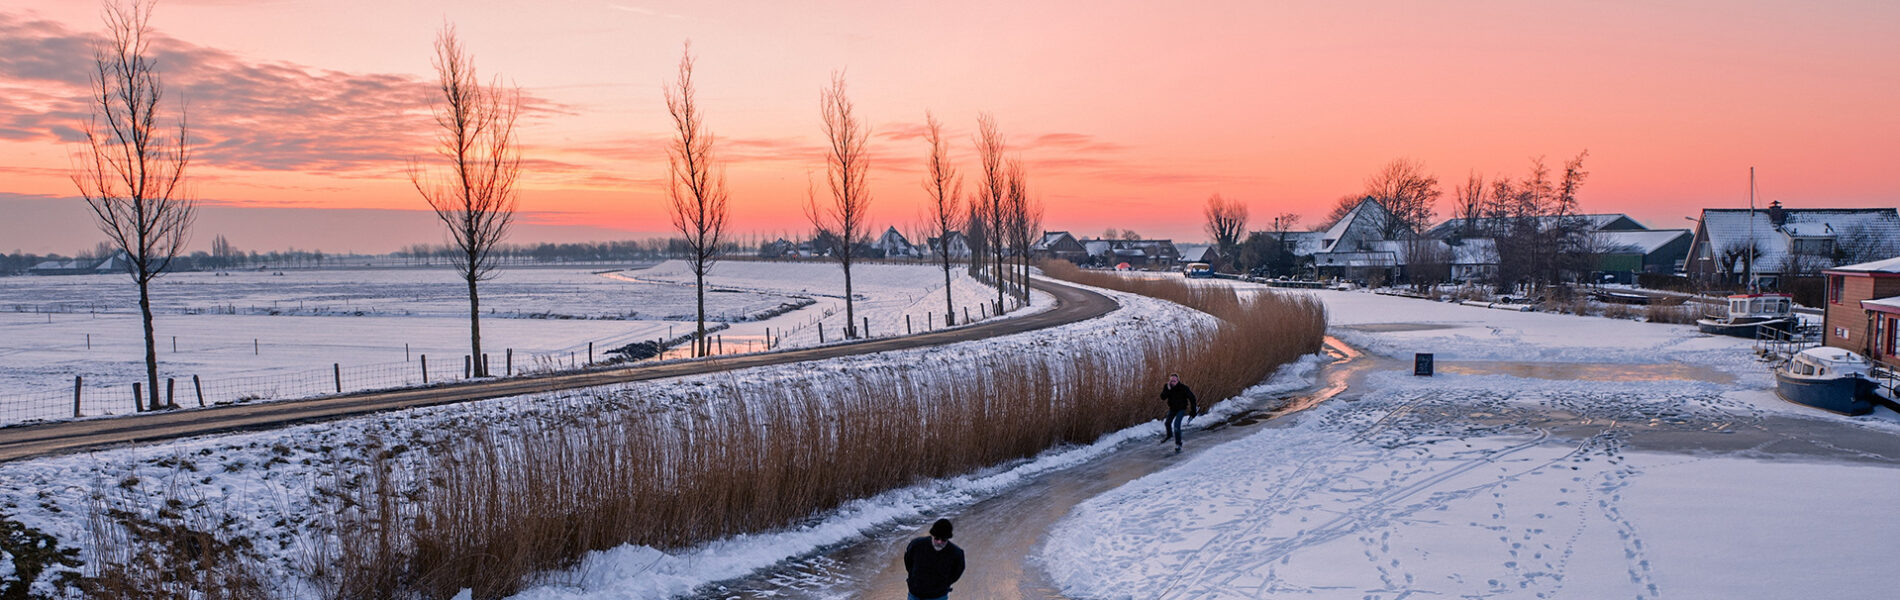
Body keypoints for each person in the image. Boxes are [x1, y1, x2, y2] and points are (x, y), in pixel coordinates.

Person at [904, 518, 965, 600]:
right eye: (937, 538)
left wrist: (944, 584)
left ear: (948, 539)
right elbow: (908, 561)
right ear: (932, 535)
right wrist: (914, 578)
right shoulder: (916, 545)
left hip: (938, 596)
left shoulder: (956, 553)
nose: (939, 542)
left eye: (943, 540)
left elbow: (957, 571)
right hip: (915, 594)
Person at [1160, 372, 1199, 450]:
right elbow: (1163, 397)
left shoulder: (1183, 388)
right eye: (1171, 381)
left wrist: (1193, 410)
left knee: (1176, 426)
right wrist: (1168, 390)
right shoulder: (1167, 387)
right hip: (1172, 408)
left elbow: (1192, 398)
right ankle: (1169, 435)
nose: (1172, 382)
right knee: (1167, 423)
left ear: (1178, 381)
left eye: (1174, 381)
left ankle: (1178, 444)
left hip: (1181, 409)